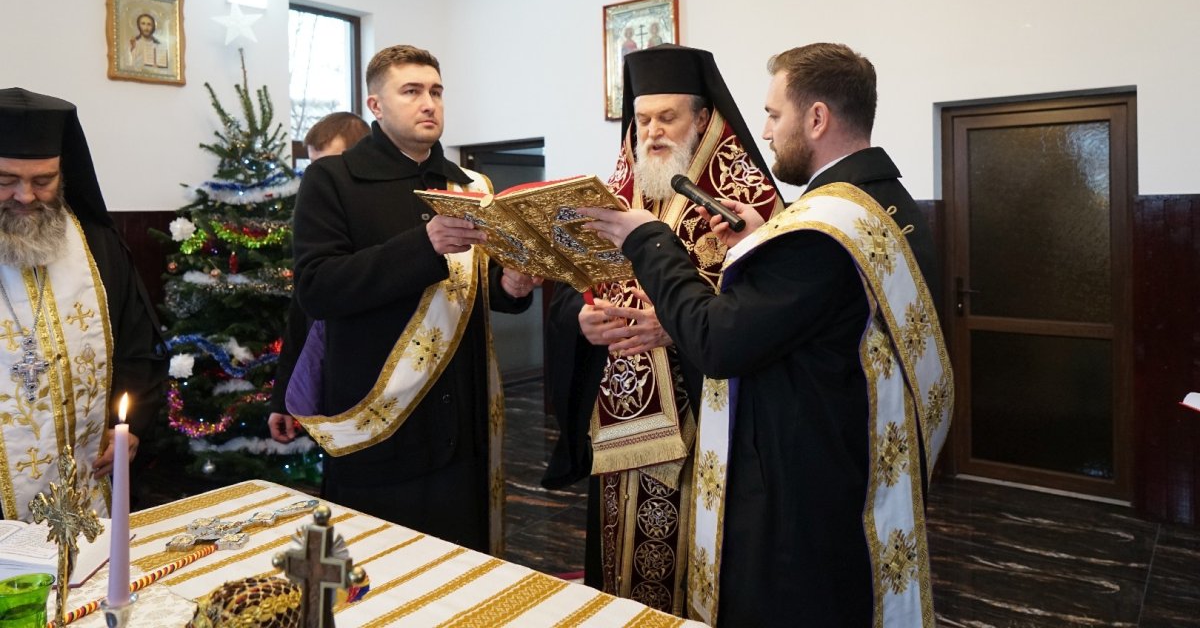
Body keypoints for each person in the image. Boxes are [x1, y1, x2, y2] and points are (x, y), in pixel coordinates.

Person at [580, 42, 954, 626]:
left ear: (817, 118)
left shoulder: (821, 229)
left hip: (804, 481)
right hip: (857, 453)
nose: (766, 130)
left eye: (774, 115)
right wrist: (757, 239)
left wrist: (650, 240)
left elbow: (718, 342)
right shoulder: (885, 202)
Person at [543, 44, 781, 615]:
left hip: (702, 426)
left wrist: (673, 328)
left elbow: (758, 323)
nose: (651, 132)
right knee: (616, 570)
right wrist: (581, 319)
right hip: (616, 425)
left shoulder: (749, 205)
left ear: (703, 120)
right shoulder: (615, 201)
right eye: (642, 119)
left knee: (689, 568)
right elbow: (569, 293)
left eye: (667, 118)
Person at [290, 45, 539, 553]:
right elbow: (316, 286)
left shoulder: (469, 185)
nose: (429, 103)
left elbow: (471, 285)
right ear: (376, 106)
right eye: (412, 91)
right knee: (379, 564)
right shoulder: (333, 179)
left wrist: (509, 288)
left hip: (462, 412)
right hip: (380, 413)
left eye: (436, 91)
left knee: (461, 559)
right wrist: (421, 245)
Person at [0, 88, 166, 520]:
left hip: (90, 481)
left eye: (43, 180)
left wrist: (130, 426)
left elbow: (136, 344)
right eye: (5, 180)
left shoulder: (97, 244)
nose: (25, 196)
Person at [268, 111, 370, 444]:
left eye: (327, 166)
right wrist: (283, 396)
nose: (318, 179)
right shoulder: (317, 219)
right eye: (313, 167)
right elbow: (301, 316)